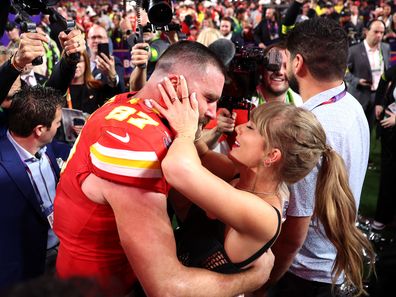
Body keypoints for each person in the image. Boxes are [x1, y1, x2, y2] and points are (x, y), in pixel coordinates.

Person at [53, 40, 274, 297]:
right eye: (209, 98)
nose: (213, 113)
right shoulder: (134, 145)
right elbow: (167, 288)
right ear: (174, 85)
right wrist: (253, 278)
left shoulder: (126, 103)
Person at [154, 77, 374, 295]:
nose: (239, 128)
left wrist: (184, 130)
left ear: (271, 155)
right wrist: (193, 112)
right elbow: (201, 152)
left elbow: (177, 168)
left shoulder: (264, 214)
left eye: (250, 127)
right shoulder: (241, 173)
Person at [254, 17, 375, 297]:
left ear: (297, 64)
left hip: (305, 275)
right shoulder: (352, 104)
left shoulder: (307, 127)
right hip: (334, 264)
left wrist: (263, 285)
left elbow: (295, 232)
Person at [0, 86, 68, 290]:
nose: (59, 127)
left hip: (62, 253)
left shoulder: (52, 147)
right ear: (39, 129)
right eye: (57, 123)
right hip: (23, 272)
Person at [202, 42, 301, 154]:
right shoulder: (239, 100)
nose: (279, 71)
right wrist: (217, 131)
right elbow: (200, 144)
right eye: (273, 64)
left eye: (286, 66)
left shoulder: (302, 104)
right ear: (261, 68)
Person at [346, 19, 390, 132]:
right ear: (366, 31)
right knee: (354, 130)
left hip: (378, 96)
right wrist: (356, 81)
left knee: (370, 130)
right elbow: (343, 71)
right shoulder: (353, 50)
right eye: (376, 32)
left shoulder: (386, 48)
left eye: (382, 32)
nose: (379, 35)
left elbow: (386, 70)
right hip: (359, 95)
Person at [371, 65, 396, 230]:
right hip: (391, 135)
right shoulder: (394, 70)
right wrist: (379, 102)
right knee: (388, 174)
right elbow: (384, 79)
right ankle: (383, 216)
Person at [86, 24, 125, 93]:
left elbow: (121, 89)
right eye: (93, 37)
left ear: (107, 40)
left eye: (100, 37)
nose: (96, 40)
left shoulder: (114, 62)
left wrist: (112, 76)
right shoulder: (82, 62)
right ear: (88, 41)